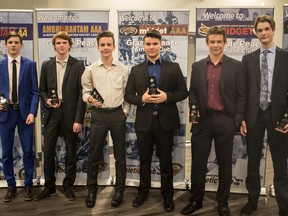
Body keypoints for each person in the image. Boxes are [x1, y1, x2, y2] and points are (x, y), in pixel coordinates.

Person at [181, 26, 246, 216]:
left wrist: (236, 119)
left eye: (219, 42)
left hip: (225, 121)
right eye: (212, 42)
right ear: (207, 43)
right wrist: (193, 109)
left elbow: (242, 96)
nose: (216, 45)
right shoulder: (198, 66)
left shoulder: (237, 66)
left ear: (225, 43)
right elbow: (192, 91)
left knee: (225, 163)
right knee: (198, 163)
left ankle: (222, 202)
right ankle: (195, 200)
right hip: (202, 121)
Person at [125, 29, 188, 212]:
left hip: (165, 121)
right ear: (143, 46)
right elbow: (128, 95)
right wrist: (141, 99)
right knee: (144, 160)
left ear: (161, 45)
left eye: (154, 44)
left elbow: (183, 92)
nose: (151, 47)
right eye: (148, 44)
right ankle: (143, 192)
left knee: (166, 161)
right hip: (144, 122)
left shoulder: (173, 67)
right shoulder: (136, 70)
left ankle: (167, 195)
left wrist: (166, 97)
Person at [240, 15, 288, 216]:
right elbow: (243, 91)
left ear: (274, 30)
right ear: (255, 32)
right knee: (253, 162)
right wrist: (242, 118)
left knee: (280, 163)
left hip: (279, 117)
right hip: (254, 117)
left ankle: (284, 205)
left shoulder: (286, 57)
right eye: (259, 30)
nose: (263, 33)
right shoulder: (248, 59)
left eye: (266, 29)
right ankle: (252, 201)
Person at [81, 31, 130, 208]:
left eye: (109, 44)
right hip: (99, 115)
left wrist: (124, 112)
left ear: (114, 46)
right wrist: (89, 99)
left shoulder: (124, 69)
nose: (106, 48)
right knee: (93, 155)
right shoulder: (90, 69)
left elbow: (128, 94)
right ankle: (91, 191)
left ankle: (119, 191)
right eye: (102, 45)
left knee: (120, 156)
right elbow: (85, 91)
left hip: (118, 115)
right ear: (98, 47)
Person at [36, 31, 86, 201]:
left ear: (69, 45)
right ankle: (49, 186)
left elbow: (82, 95)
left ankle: (68, 185)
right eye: (58, 43)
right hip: (52, 114)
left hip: (70, 115)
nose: (61, 45)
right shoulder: (46, 65)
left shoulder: (78, 66)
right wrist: (47, 101)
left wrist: (79, 119)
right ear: (54, 46)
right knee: (48, 151)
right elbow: (41, 90)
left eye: (64, 42)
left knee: (71, 152)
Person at [0, 31, 39, 202]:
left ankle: (28, 185)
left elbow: (35, 92)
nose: (13, 45)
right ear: (5, 45)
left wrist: (32, 112)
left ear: (22, 45)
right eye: (10, 42)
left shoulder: (30, 65)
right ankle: (11, 186)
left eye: (16, 42)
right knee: (6, 153)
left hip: (25, 115)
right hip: (5, 114)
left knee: (28, 152)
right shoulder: (0, 65)